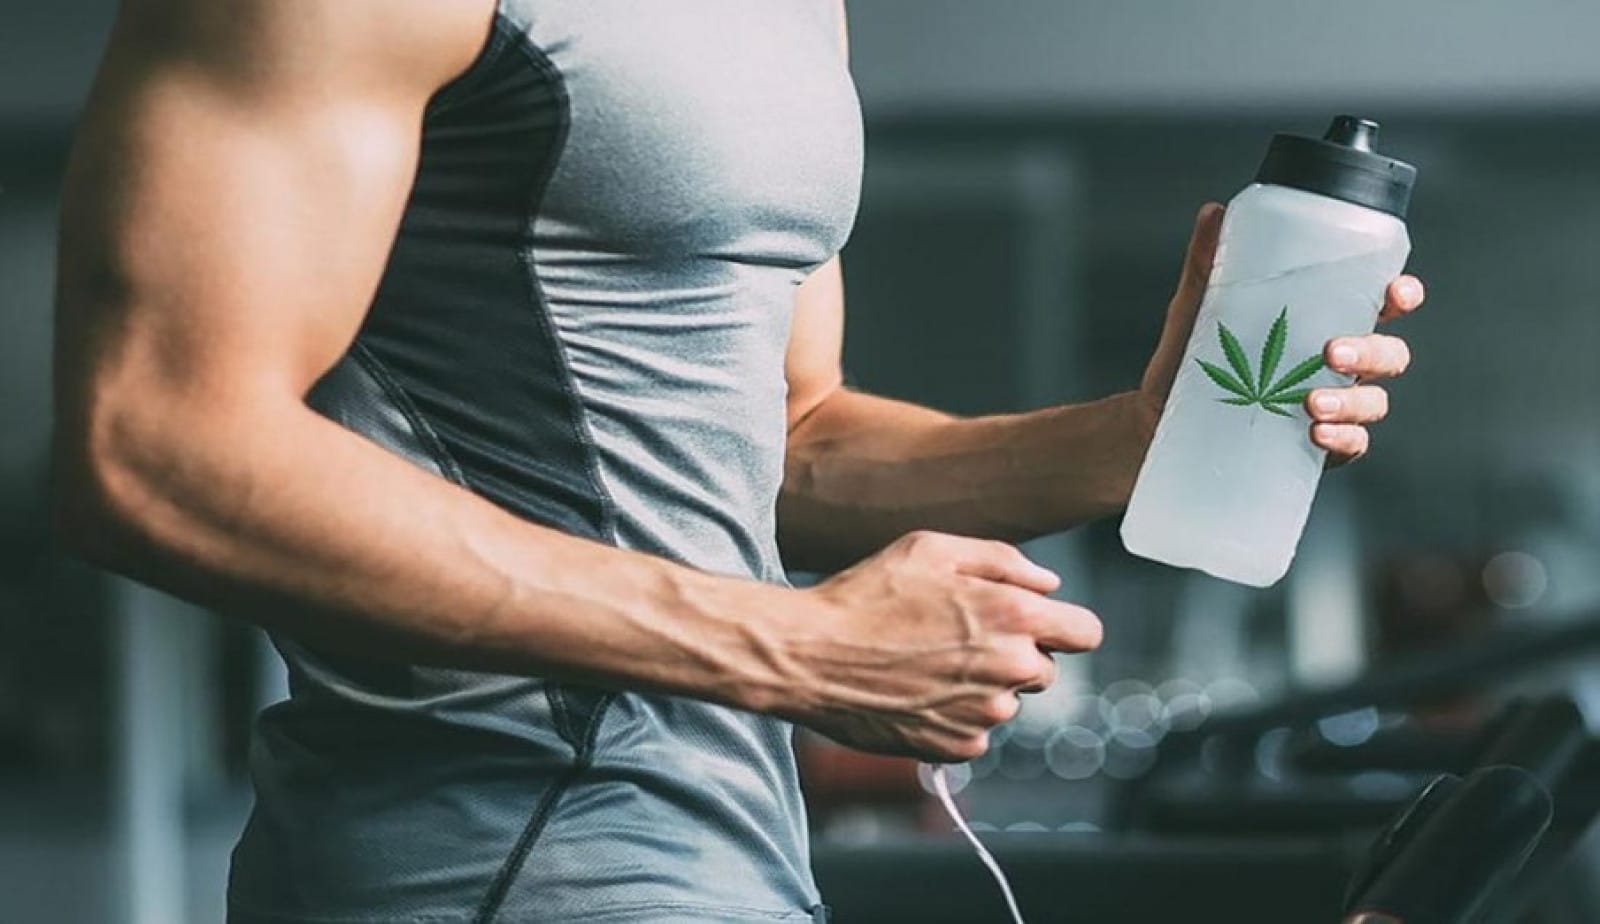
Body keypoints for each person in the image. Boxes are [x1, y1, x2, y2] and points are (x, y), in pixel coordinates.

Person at [51, 1, 1426, 921]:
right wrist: (795, 649)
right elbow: (155, 441)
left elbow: (781, 446)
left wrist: (1136, 439)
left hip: (731, 861)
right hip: (487, 870)